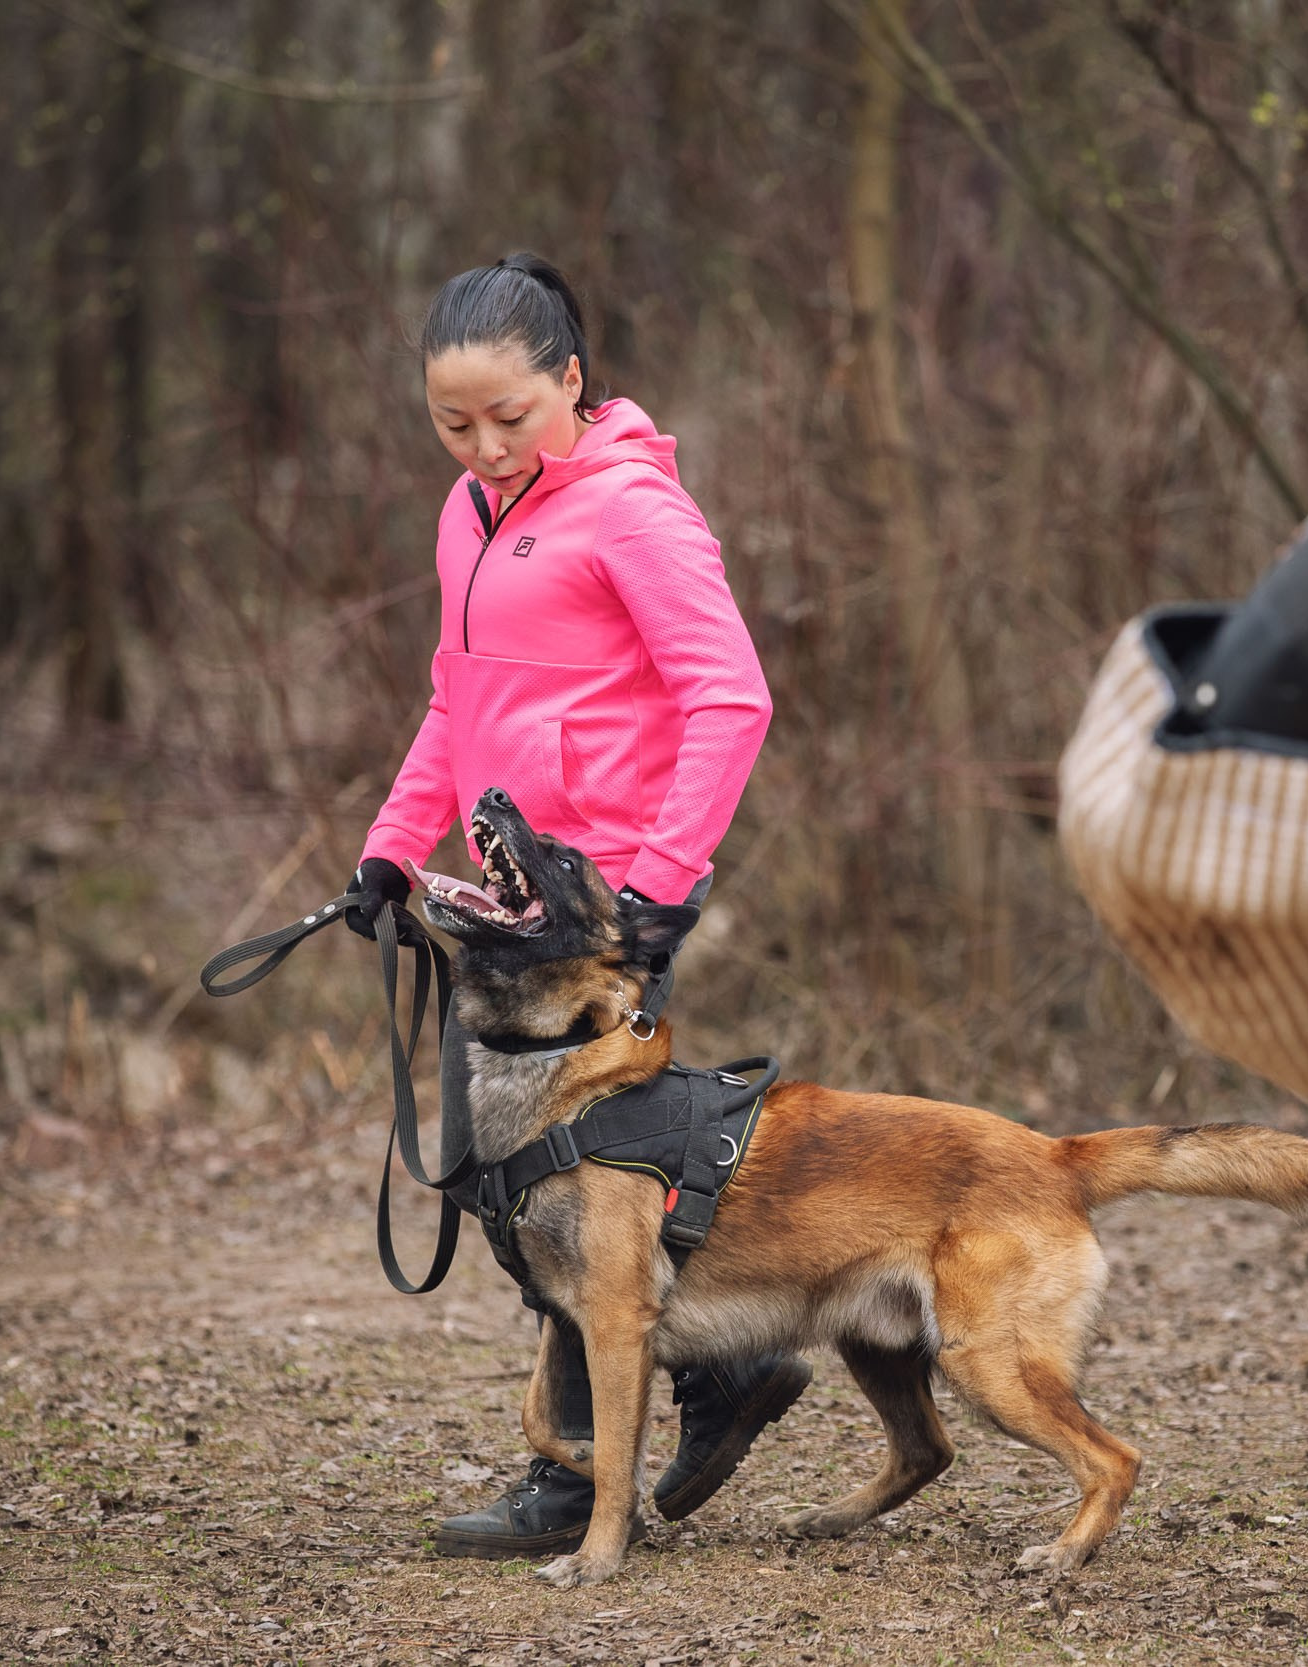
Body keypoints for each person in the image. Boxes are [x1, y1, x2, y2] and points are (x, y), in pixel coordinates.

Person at [344, 253, 808, 1560]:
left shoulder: (636, 514)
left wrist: (656, 895)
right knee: (502, 1188)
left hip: (597, 909)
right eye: (453, 423)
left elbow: (733, 700)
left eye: (511, 418)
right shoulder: (467, 514)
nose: (485, 447)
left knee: (562, 1189)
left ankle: (576, 1482)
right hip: (497, 897)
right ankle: (725, 1373)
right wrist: (391, 846)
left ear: (574, 383)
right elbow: (457, 695)